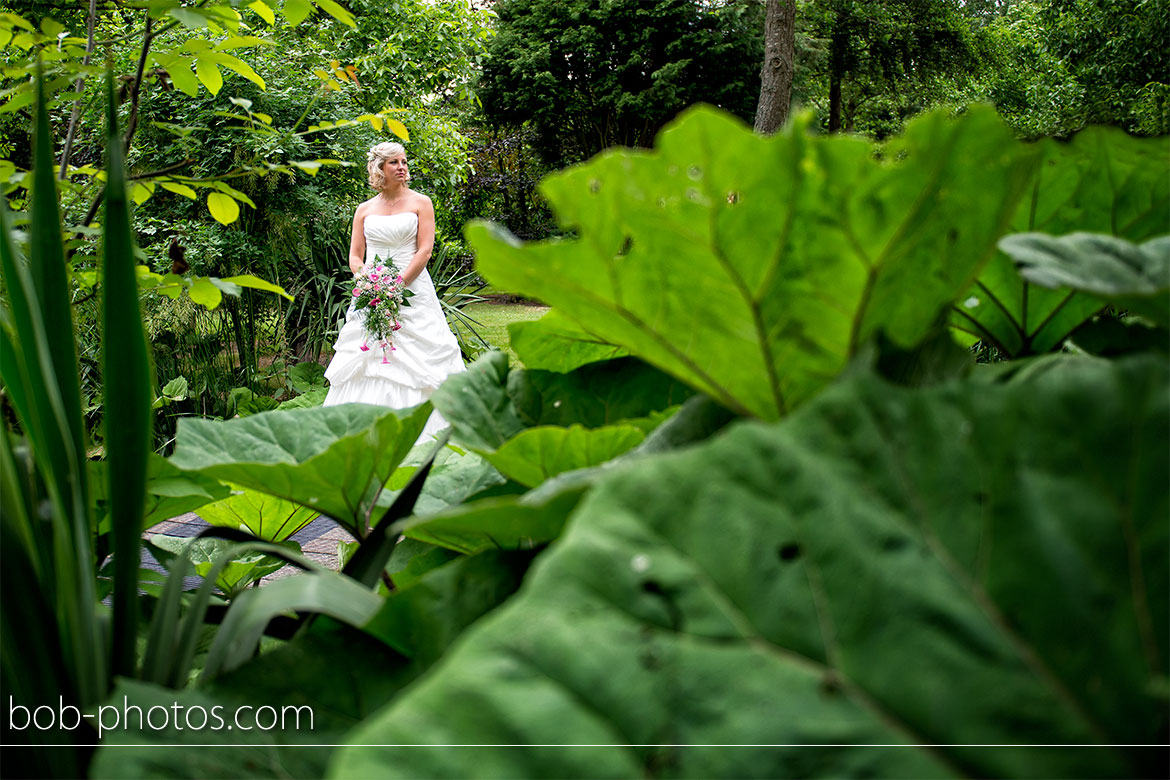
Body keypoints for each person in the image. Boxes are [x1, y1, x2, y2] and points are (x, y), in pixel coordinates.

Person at [322, 141, 465, 441]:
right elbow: (355, 256)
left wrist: (395, 287)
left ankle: (429, 429)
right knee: (368, 357)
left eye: (403, 162)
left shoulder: (421, 203)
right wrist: (368, 282)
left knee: (419, 357)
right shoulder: (364, 210)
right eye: (394, 163)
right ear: (379, 168)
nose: (402, 167)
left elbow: (424, 251)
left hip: (412, 289)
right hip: (371, 291)